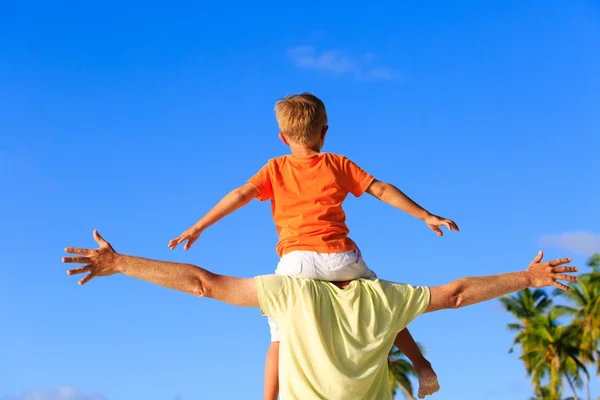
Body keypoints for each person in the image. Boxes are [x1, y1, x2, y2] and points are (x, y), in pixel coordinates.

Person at [167, 93, 459, 399]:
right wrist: (425, 215)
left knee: (279, 336)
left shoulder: (275, 168)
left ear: (282, 138)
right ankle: (421, 364)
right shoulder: (337, 163)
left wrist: (199, 225)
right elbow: (382, 190)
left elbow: (241, 194)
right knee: (384, 305)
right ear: (324, 132)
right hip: (341, 258)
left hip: (297, 265)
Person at [64, 230, 578, 400]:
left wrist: (120, 263)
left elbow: (204, 284)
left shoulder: (290, 294)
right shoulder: (385, 297)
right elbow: (458, 293)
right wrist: (526, 278)